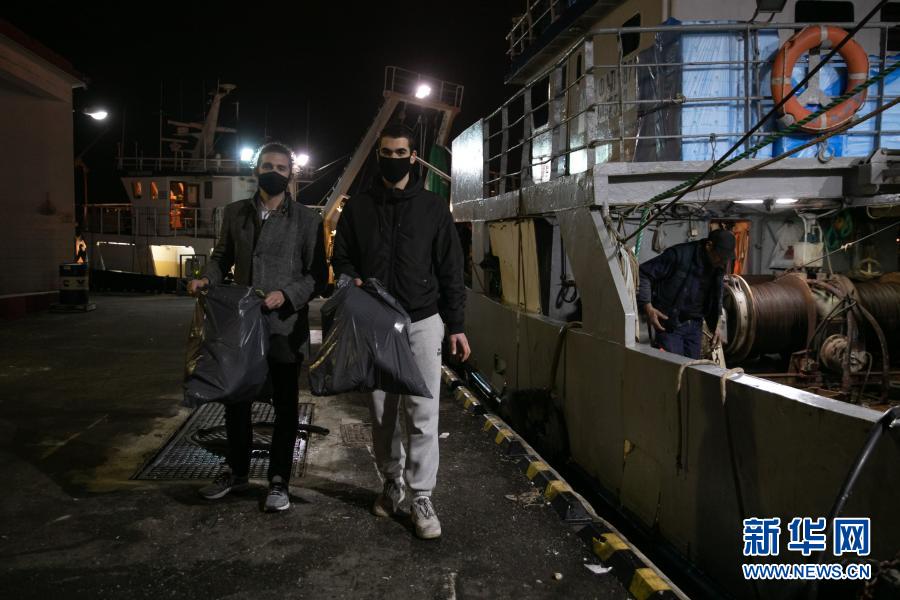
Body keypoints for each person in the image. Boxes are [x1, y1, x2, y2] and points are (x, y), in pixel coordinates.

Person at [331, 122, 469, 539]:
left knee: (422, 413)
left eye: (400, 153)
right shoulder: (359, 207)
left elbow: (451, 268)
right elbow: (342, 257)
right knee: (381, 413)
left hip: (423, 321)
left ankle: (422, 495)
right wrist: (351, 280)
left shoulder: (432, 208)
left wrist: (456, 325)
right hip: (377, 322)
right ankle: (392, 482)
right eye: (386, 153)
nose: (393, 160)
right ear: (379, 155)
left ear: (414, 157)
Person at [188, 142, 326, 511]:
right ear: (256, 170)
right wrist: (207, 278)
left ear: (290, 174)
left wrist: (287, 294)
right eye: (268, 166)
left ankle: (279, 479)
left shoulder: (308, 220)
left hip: (285, 327)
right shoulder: (235, 213)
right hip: (243, 325)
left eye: (281, 167)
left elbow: (317, 275)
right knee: (236, 400)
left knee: (285, 406)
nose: (274, 172)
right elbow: (222, 257)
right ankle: (236, 472)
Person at [637, 228, 735, 359]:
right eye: (720, 256)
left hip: (694, 326)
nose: (723, 262)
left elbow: (717, 297)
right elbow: (644, 273)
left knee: (692, 368)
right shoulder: (679, 255)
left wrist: (717, 325)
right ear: (709, 245)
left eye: (726, 258)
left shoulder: (717, 267)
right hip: (670, 324)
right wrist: (648, 307)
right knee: (673, 367)